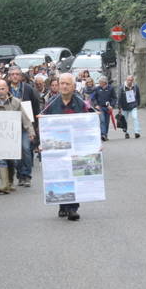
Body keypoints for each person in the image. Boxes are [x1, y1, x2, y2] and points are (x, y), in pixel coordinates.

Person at [39, 73, 89, 221]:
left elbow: (90, 124)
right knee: (60, 174)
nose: (64, 86)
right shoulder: (51, 104)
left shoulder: (81, 103)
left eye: (67, 84)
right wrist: (41, 144)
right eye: (62, 83)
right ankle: (62, 204)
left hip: (76, 146)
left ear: (73, 86)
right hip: (58, 146)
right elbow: (43, 125)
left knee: (74, 175)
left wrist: (94, 145)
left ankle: (73, 208)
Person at [0, 79, 35, 194]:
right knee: (1, 157)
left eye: (3, 88)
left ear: (7, 89)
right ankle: (4, 184)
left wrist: (31, 132)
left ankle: (10, 182)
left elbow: (25, 118)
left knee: (12, 160)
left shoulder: (15, 102)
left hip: (14, 135)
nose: (0, 91)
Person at [7, 66, 40, 187]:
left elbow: (35, 106)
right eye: (12, 74)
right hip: (11, 126)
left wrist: (35, 125)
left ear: (21, 76)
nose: (15, 76)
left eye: (17, 74)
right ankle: (20, 175)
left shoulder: (28, 89)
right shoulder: (6, 89)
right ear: (9, 76)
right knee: (16, 153)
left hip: (26, 125)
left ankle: (27, 175)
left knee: (26, 148)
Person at [90, 76, 117, 141]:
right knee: (102, 120)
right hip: (100, 107)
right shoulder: (97, 88)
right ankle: (103, 134)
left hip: (108, 108)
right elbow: (93, 98)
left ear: (104, 82)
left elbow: (114, 98)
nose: (99, 83)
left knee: (107, 122)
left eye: (100, 82)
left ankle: (105, 134)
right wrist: (96, 105)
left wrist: (112, 105)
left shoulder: (111, 88)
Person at [118, 75, 142, 139]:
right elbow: (119, 98)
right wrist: (119, 107)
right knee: (125, 120)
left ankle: (137, 132)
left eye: (131, 80)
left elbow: (138, 95)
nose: (130, 81)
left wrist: (138, 104)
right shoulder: (122, 87)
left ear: (133, 80)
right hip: (125, 106)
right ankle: (126, 133)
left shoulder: (135, 86)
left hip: (133, 106)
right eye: (128, 80)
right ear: (126, 80)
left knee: (135, 117)